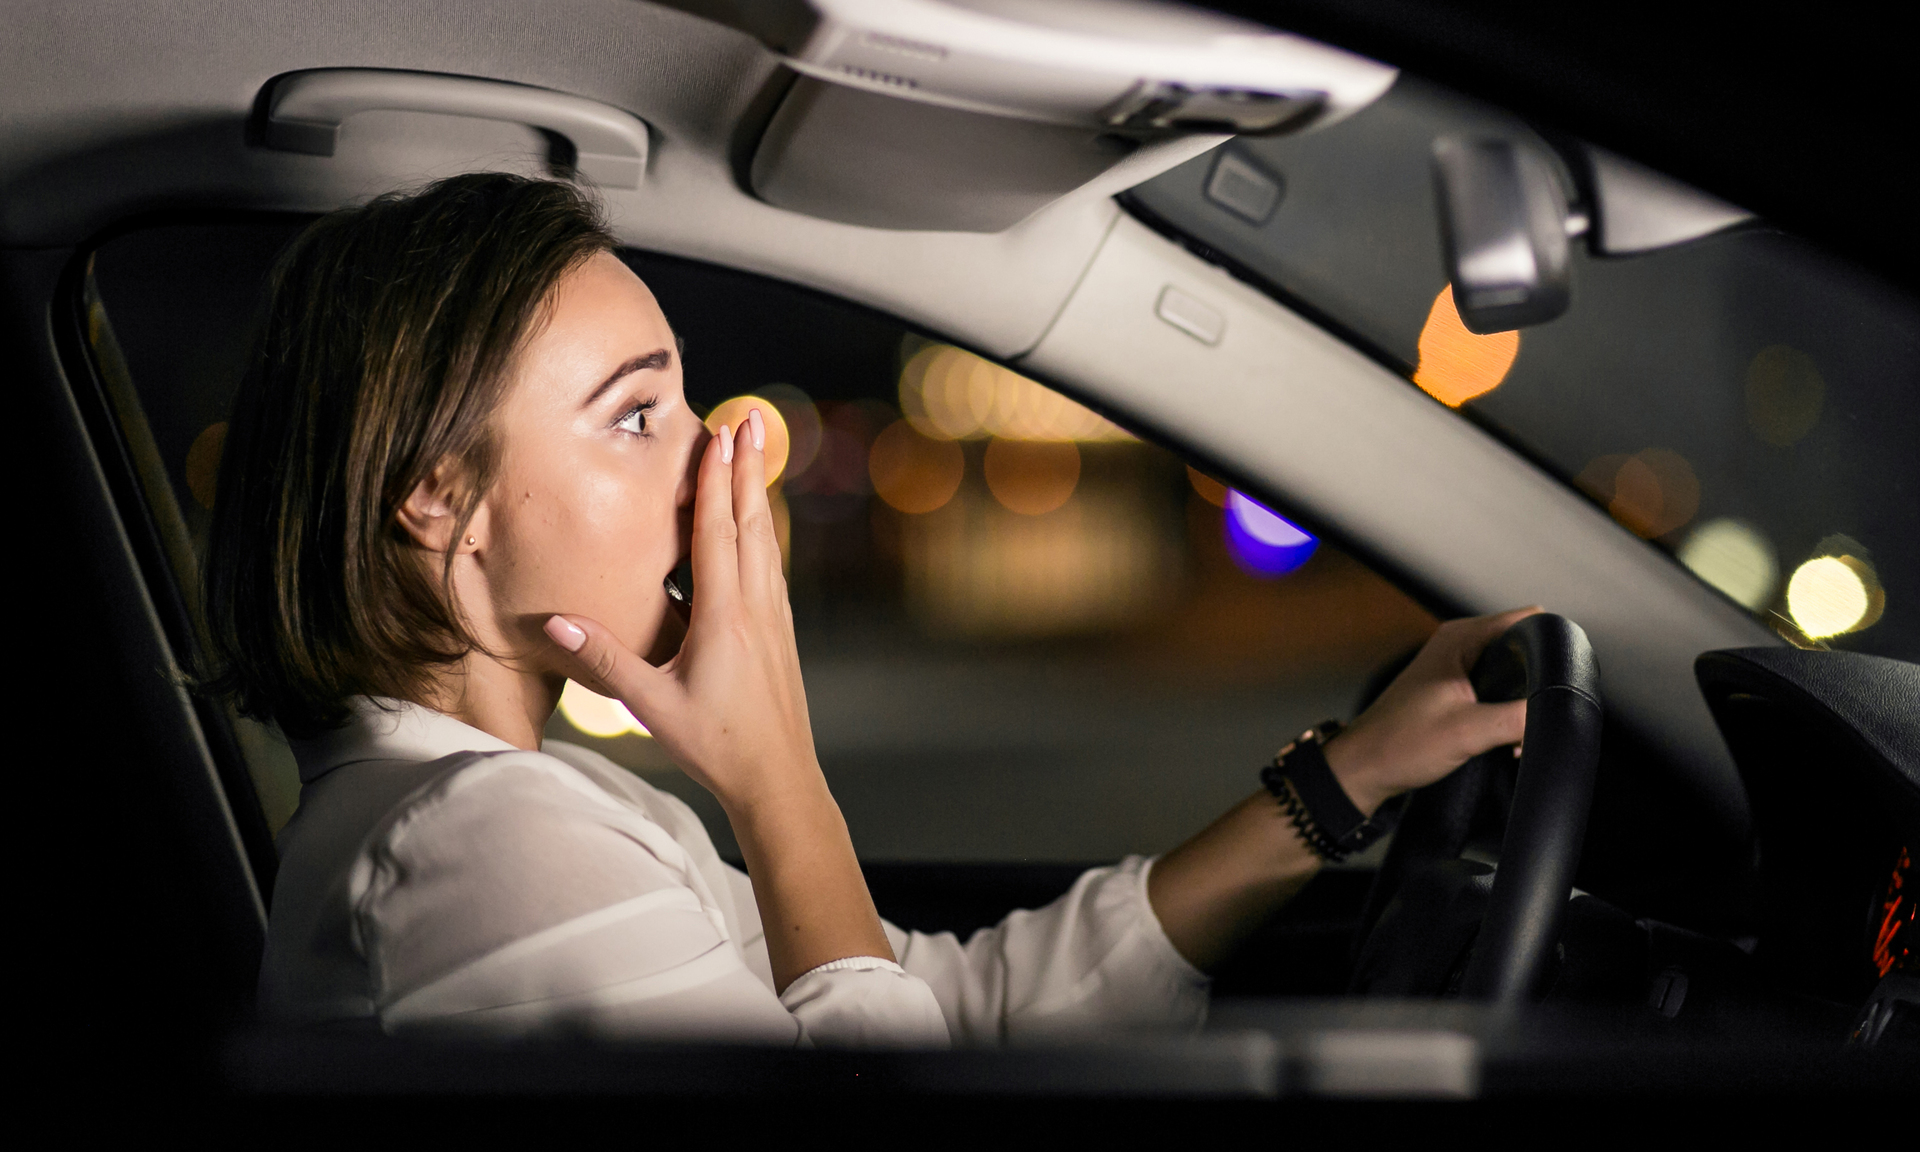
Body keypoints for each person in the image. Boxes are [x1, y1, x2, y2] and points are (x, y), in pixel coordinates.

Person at [209, 173, 1532, 1047]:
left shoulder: (546, 802)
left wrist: (1344, 784)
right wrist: (776, 773)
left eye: (685, 400)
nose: (719, 461)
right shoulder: (476, 844)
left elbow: (945, 1007)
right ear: (439, 497)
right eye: (635, 414)